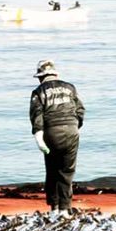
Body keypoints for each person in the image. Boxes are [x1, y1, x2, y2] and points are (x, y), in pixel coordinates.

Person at [29, 59, 85, 217]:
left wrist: (39, 138)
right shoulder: (70, 87)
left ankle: (54, 207)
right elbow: (80, 110)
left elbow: (37, 116)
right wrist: (75, 125)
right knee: (67, 171)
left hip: (51, 133)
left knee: (52, 169)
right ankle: (65, 208)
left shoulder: (39, 91)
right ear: (55, 74)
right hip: (72, 131)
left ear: (41, 76)